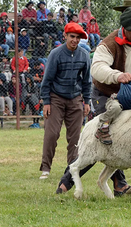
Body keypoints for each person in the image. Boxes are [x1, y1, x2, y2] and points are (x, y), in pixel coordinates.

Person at [56, 7, 131, 195]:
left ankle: (120, 182)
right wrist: (116, 76)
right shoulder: (109, 43)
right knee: (101, 140)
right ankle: (68, 181)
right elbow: (97, 68)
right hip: (106, 95)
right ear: (125, 28)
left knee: (127, 138)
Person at [39, 23, 92, 180]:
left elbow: (87, 81)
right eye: (72, 37)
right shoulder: (56, 54)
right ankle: (46, 168)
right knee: (51, 133)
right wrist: (46, 102)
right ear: (65, 36)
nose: (75, 40)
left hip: (75, 98)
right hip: (56, 98)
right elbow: (46, 80)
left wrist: (87, 101)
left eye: (78, 37)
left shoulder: (84, 55)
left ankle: (71, 169)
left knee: (75, 137)